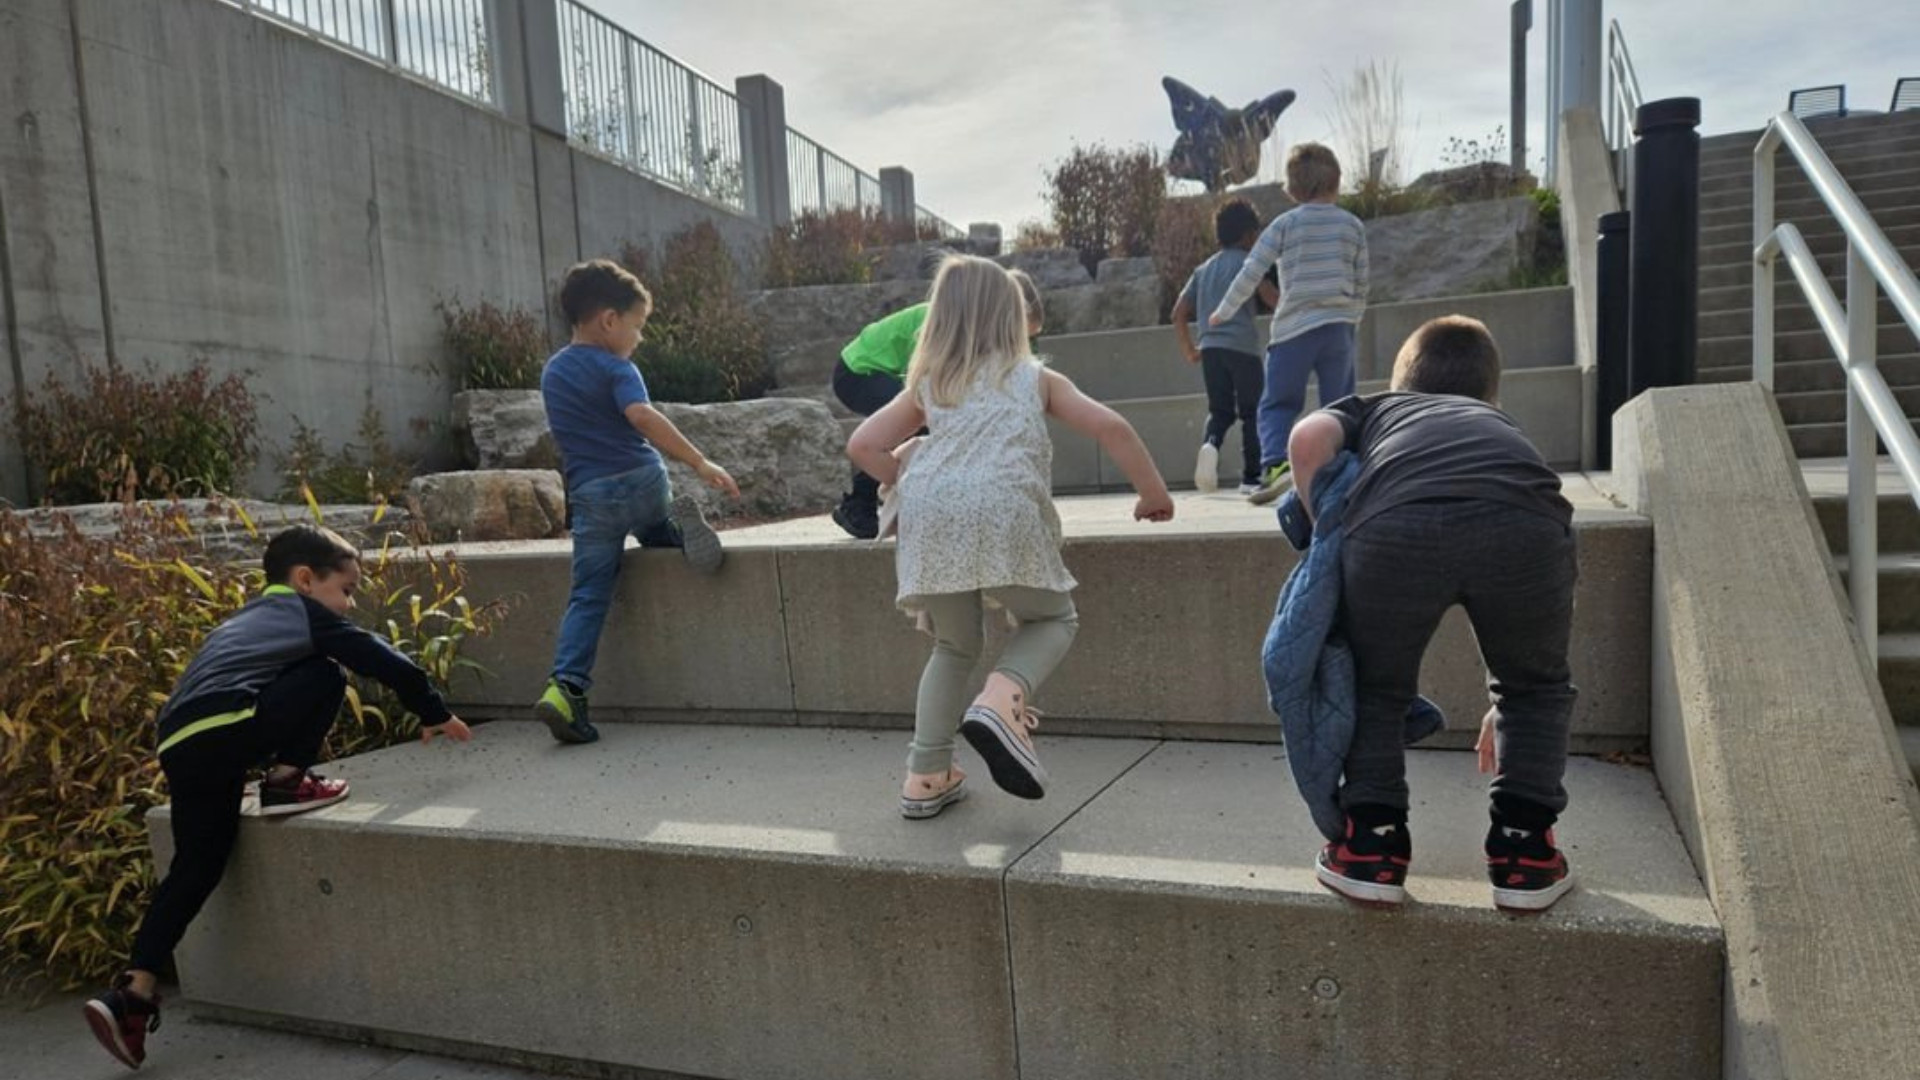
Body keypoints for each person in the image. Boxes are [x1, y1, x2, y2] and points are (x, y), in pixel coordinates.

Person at [83, 525, 474, 1070]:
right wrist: (434, 711)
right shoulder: (302, 612)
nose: (350, 603)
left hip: (179, 740)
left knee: (197, 865)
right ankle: (288, 780)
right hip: (228, 724)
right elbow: (379, 657)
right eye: (348, 588)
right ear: (306, 579)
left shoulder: (244, 621)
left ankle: (132, 991)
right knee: (326, 672)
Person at [846, 255, 1173, 818]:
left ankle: (925, 775)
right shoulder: (1035, 377)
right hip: (1004, 511)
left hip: (930, 521)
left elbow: (863, 445)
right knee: (1053, 619)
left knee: (952, 646)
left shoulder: (930, 383)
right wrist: (1153, 494)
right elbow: (1111, 427)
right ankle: (1003, 698)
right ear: (1011, 317)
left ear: (940, 318)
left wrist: (913, 477)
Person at [1285, 316, 1577, 913]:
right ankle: (1525, 855)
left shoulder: (1380, 409)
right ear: (1491, 392)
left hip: (1395, 527)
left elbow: (1307, 440)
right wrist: (1510, 703)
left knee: (1376, 687)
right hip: (1527, 523)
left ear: (1401, 383)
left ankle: (1372, 847)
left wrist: (1326, 536)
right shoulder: (1498, 423)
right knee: (1535, 689)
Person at [533, 259, 741, 745]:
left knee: (588, 593)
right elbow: (641, 416)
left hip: (593, 496)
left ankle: (565, 689)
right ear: (609, 320)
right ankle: (672, 529)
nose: (639, 338)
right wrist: (698, 461)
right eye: (638, 326)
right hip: (644, 481)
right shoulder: (617, 366)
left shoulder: (553, 372)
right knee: (651, 524)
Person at [831, 270, 1046, 539]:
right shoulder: (951, 321)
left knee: (931, 419)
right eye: (1019, 335)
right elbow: (930, 381)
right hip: (859, 370)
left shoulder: (979, 329)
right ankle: (858, 504)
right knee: (919, 420)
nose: (1019, 344)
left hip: (884, 371)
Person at [1210, 142, 1369, 506]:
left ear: (1293, 189)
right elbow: (1362, 279)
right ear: (1336, 182)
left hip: (1294, 328)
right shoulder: (1352, 226)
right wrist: (1353, 316)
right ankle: (1341, 468)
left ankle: (1279, 466)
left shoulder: (1285, 224)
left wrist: (1225, 310)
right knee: (1340, 403)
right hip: (1338, 328)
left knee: (1279, 402)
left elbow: (1252, 270)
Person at [1172, 197, 1279, 494]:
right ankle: (1251, 476)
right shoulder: (1249, 262)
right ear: (1247, 234)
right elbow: (1270, 297)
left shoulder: (1203, 270)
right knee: (1252, 411)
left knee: (1220, 411)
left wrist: (1189, 349)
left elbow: (1178, 312)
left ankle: (1211, 444)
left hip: (1210, 350)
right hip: (1242, 348)